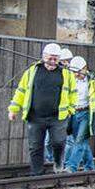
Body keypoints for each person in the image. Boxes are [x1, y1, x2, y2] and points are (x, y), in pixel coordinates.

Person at [8, 42, 77, 175]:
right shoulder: (32, 72)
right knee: (35, 146)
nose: (52, 61)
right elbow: (21, 91)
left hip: (58, 116)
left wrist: (70, 109)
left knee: (58, 142)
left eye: (55, 59)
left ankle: (58, 162)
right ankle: (37, 173)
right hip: (35, 116)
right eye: (50, 58)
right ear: (44, 57)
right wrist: (13, 109)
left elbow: (73, 93)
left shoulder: (66, 74)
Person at [63, 56, 95, 172]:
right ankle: (90, 167)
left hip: (87, 113)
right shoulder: (68, 80)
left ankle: (71, 167)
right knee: (83, 143)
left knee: (80, 140)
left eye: (79, 71)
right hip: (73, 113)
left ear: (85, 68)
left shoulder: (94, 80)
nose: (77, 74)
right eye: (75, 72)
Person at [43, 47, 76, 168]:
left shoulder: (72, 74)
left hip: (65, 114)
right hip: (51, 113)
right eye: (64, 61)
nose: (66, 63)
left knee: (68, 140)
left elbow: (74, 94)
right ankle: (51, 160)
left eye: (68, 61)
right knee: (48, 141)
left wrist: (70, 110)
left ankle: (63, 163)